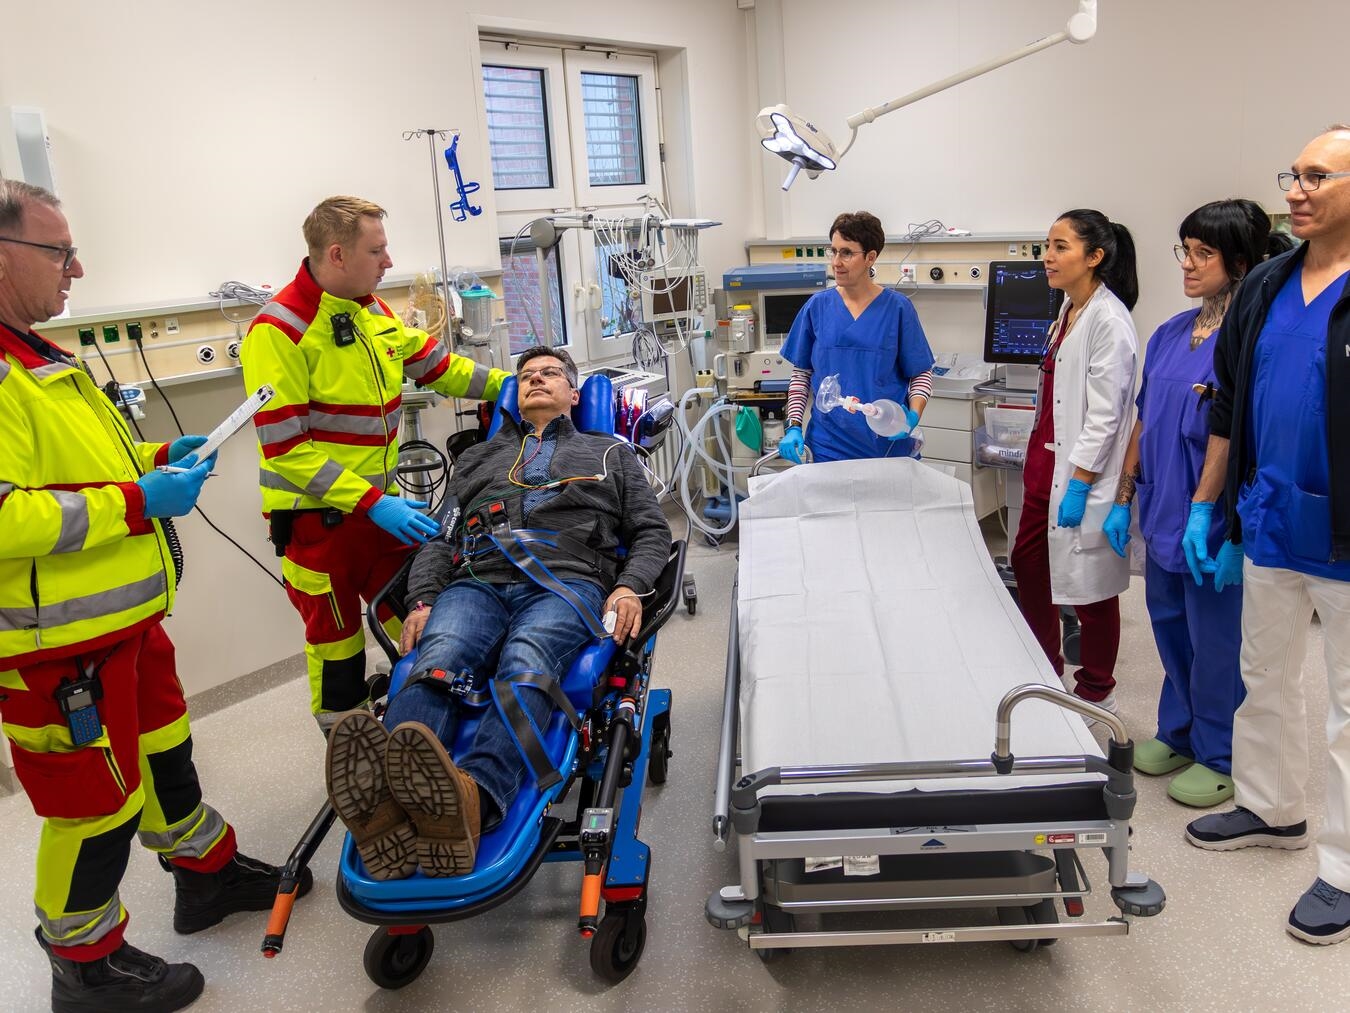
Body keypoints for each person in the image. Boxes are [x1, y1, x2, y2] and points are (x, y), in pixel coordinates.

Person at [0, 180, 309, 1013]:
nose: (77, 267)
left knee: (166, 749)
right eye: (60, 252)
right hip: (55, 650)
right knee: (92, 805)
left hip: (125, 624)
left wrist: (158, 452)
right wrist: (141, 502)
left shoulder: (39, 358)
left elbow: (79, 463)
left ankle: (203, 875)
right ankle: (85, 966)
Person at [324, 347, 671, 879]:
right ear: (513, 396)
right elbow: (440, 541)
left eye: (550, 374)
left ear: (573, 396)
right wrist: (422, 601)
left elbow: (650, 532)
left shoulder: (611, 453)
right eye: (526, 375)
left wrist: (627, 588)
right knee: (439, 657)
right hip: (478, 579)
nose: (536, 380)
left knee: (524, 663)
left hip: (568, 580)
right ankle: (390, 804)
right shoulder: (476, 461)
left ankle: (475, 801)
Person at [240, 196, 508, 734]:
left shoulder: (370, 310)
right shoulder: (280, 331)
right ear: (337, 254)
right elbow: (287, 450)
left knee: (425, 614)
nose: (389, 262)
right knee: (338, 651)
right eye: (377, 250)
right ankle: (348, 751)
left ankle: (434, 729)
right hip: (318, 524)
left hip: (376, 515)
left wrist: (515, 387)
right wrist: (374, 503)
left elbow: (437, 365)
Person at [1182, 125, 1350, 946]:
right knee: (1265, 676)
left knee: (1349, 710)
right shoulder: (1271, 283)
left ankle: (1345, 870)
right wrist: (1211, 505)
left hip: (1345, 535)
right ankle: (1271, 807)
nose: (1296, 189)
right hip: (1271, 518)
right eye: (1294, 174)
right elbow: (1229, 401)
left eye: (1317, 176)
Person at [1103, 201, 1294, 807]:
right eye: (1184, 249)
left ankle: (1220, 751)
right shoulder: (1167, 334)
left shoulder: (1253, 339)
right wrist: (1122, 495)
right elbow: (1143, 421)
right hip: (1161, 509)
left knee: (1217, 642)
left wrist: (1218, 518)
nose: (1187, 264)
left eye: (1202, 253)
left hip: (1213, 516)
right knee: (1168, 628)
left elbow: (1241, 433)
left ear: (1240, 262)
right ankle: (1179, 732)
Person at [1010, 209, 1139, 716]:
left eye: (1060, 246)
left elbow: (1107, 415)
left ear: (1095, 256)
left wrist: (1082, 483)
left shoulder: (1110, 321)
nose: (1048, 256)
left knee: (1091, 586)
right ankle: (1045, 666)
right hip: (1045, 466)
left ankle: (1096, 685)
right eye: (1047, 244)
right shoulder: (1068, 310)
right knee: (1027, 561)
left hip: (1080, 473)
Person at [777, 211, 935, 463]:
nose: (836, 262)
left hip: (886, 445)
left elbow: (921, 374)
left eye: (847, 253)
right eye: (834, 251)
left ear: (870, 257)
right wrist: (794, 425)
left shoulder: (897, 309)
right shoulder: (817, 307)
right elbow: (801, 375)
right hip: (828, 447)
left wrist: (912, 416)